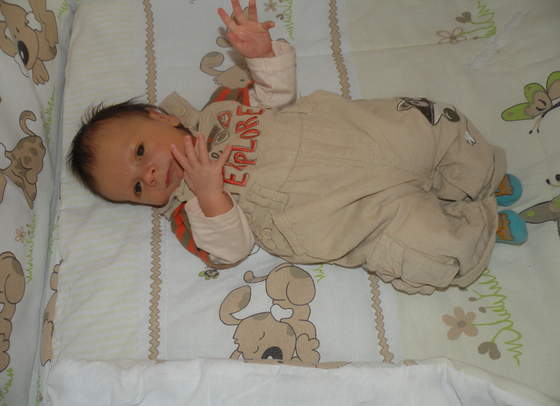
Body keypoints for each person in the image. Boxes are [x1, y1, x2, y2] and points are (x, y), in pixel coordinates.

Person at [68, 0, 527, 295]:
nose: (149, 176)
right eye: (136, 188)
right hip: (354, 213)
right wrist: (210, 193)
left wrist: (261, 54)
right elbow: (232, 249)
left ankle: (479, 175)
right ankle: (479, 227)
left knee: (432, 125)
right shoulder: (192, 216)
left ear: (161, 117)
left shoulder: (223, 109)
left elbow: (276, 95)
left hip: (363, 138)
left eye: (140, 153)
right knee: (425, 250)